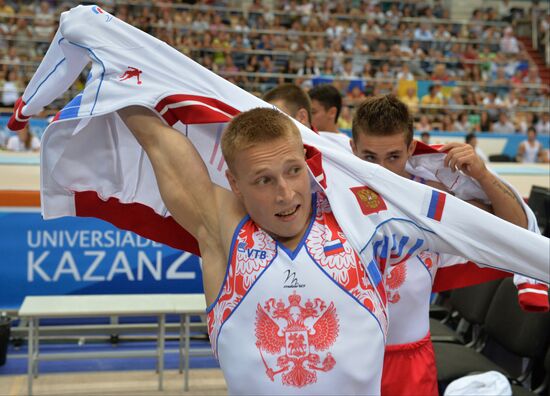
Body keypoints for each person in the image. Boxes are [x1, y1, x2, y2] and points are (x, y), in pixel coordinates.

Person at [350, 95, 541, 396]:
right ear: (352, 149)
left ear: (412, 150)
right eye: (370, 157)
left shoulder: (432, 203)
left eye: (393, 157)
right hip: (347, 360)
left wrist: (481, 174)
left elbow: (516, 232)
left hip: (410, 363)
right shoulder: (330, 199)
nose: (382, 171)